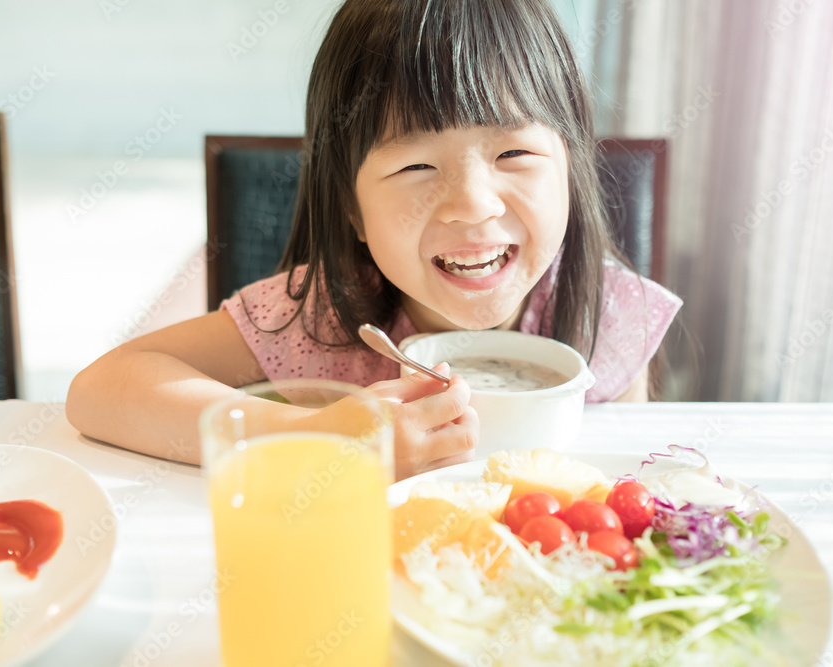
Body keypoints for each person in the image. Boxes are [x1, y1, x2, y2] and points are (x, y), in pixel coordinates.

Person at [66, 0, 682, 479]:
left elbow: (623, 487)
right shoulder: (315, 318)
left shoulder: (612, 317)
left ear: (571, 169)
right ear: (352, 210)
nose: (472, 205)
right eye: (416, 167)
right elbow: (100, 390)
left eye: (515, 152)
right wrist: (318, 439)